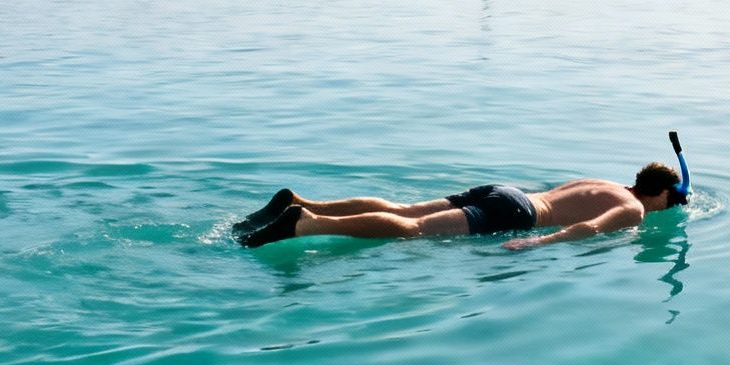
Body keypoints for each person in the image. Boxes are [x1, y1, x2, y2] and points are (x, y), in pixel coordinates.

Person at [233, 164, 688, 250]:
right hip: (519, 215)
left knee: (406, 208)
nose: (675, 205)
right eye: (676, 198)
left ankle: (301, 202)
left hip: (506, 192)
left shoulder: (603, 181)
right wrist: (538, 242)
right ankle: (309, 224)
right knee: (413, 232)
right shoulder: (632, 209)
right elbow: (588, 230)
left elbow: (561, 197)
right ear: (661, 193)